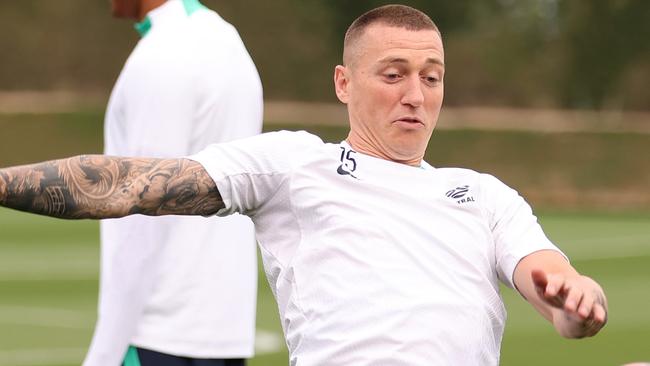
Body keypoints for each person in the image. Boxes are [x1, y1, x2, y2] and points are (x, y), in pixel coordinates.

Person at [0, 5, 607, 365]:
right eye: (393, 74)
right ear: (344, 84)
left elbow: (553, 287)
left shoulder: (485, 196)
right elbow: (131, 183)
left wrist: (575, 300)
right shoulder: (294, 166)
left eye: (432, 76)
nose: (415, 95)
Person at [86, 0, 262, 365]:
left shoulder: (162, 55)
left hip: (160, 330)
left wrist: (105, 350)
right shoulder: (228, 41)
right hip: (225, 329)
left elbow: (143, 209)